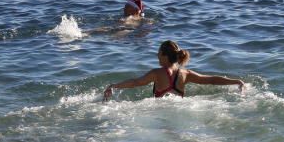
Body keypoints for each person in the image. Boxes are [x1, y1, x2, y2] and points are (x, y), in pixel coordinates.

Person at [102, 40, 244, 102]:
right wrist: (235, 81)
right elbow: (211, 80)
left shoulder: (156, 73)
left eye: (158, 52)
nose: (156, 55)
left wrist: (113, 85)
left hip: (159, 111)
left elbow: (135, 83)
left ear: (164, 55)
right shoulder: (185, 74)